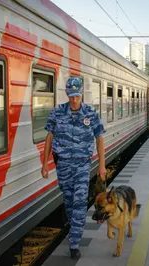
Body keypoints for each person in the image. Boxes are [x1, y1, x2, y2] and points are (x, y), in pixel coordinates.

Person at [41, 77, 106, 260]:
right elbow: (49, 137)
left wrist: (101, 165)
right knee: (69, 202)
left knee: (79, 202)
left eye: (77, 96)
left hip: (82, 165)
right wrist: (45, 163)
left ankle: (74, 243)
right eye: (71, 96)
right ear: (67, 93)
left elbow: (99, 138)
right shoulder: (57, 112)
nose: (74, 99)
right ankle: (74, 229)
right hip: (63, 165)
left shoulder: (91, 114)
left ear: (81, 93)